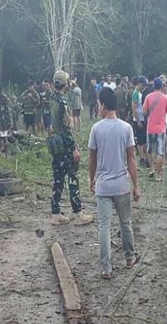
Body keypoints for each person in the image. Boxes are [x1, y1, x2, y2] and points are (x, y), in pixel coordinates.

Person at [88, 87, 140, 279]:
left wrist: (91, 179)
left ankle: (106, 268)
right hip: (121, 186)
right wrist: (136, 186)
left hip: (103, 186)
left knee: (104, 226)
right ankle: (129, 258)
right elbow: (131, 159)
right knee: (125, 223)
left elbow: (92, 158)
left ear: (102, 105)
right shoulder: (126, 128)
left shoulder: (96, 129)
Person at [48, 70, 93, 226]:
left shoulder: (51, 99)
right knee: (73, 176)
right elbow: (66, 128)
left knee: (58, 179)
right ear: (65, 84)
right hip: (64, 145)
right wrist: (74, 148)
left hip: (55, 143)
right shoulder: (62, 102)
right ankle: (77, 212)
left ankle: (55, 212)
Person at [143, 77, 167, 182]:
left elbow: (144, 112)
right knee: (160, 152)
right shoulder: (165, 98)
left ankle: (152, 168)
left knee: (149, 150)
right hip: (161, 128)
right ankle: (158, 175)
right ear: (161, 86)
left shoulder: (148, 97)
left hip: (150, 127)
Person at [131, 76, 148, 167]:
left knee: (144, 139)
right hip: (138, 120)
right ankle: (142, 158)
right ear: (140, 84)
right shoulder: (135, 93)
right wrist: (138, 121)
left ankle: (145, 157)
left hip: (143, 118)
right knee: (140, 141)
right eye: (143, 86)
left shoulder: (140, 93)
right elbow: (133, 108)